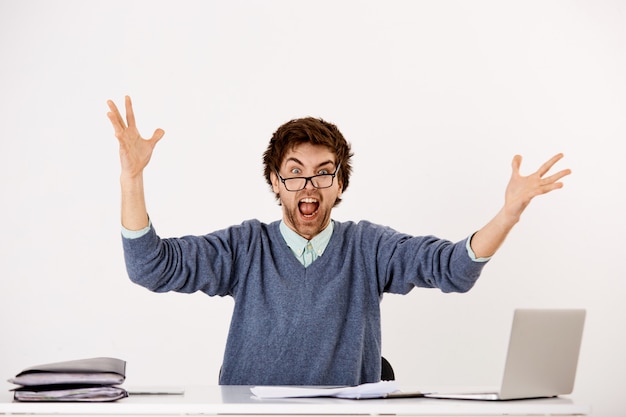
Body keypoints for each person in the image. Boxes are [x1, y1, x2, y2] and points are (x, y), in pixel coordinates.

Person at [106, 95, 571, 386]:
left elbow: (452, 268)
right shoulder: (245, 247)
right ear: (274, 182)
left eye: (323, 173)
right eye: (295, 174)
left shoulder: (369, 247)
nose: (309, 186)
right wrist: (132, 179)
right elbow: (151, 267)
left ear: (340, 184)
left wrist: (508, 213)